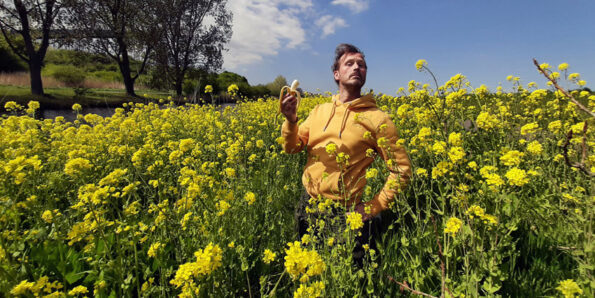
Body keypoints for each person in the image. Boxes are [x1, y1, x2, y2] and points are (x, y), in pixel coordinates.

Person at [280, 43, 412, 266]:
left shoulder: (378, 119)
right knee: (305, 270)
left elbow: (402, 170)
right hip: (308, 204)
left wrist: (373, 207)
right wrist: (291, 121)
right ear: (336, 74)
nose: (357, 67)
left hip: (346, 213)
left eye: (361, 64)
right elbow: (292, 148)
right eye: (349, 63)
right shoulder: (319, 111)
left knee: (345, 277)